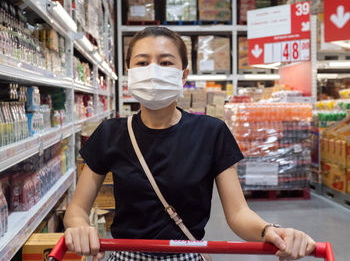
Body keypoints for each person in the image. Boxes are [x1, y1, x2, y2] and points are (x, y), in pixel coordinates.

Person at [64, 27, 316, 261]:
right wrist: (78, 227)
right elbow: (77, 207)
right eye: (142, 62)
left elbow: (238, 213)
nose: (153, 70)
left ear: (183, 75)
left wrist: (270, 231)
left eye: (165, 62)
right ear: (129, 73)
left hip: (186, 254)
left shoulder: (211, 132)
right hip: (125, 255)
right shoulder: (110, 133)